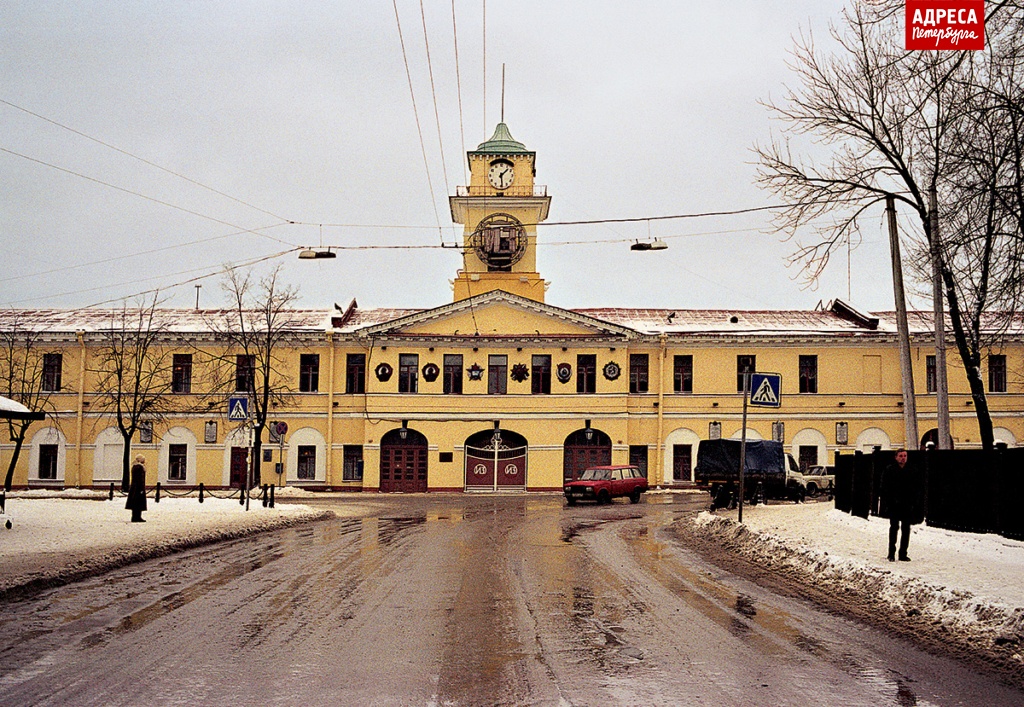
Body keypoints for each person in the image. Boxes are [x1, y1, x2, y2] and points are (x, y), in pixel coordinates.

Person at [879, 449, 922, 561]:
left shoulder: (912, 470)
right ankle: (891, 553)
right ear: (896, 457)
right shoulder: (890, 470)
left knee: (906, 529)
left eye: (905, 456)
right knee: (894, 528)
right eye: (901, 456)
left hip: (907, 504)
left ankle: (903, 553)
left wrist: (913, 501)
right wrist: (888, 501)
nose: (903, 458)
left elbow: (917, 487)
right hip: (894, 504)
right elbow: (885, 488)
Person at [126, 454, 148, 523]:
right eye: (143, 459)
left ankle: (135, 516)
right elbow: (140, 479)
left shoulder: (134, 466)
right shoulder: (139, 467)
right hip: (138, 488)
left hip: (135, 488)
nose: (144, 461)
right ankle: (137, 517)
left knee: (135, 503)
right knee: (138, 503)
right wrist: (141, 488)